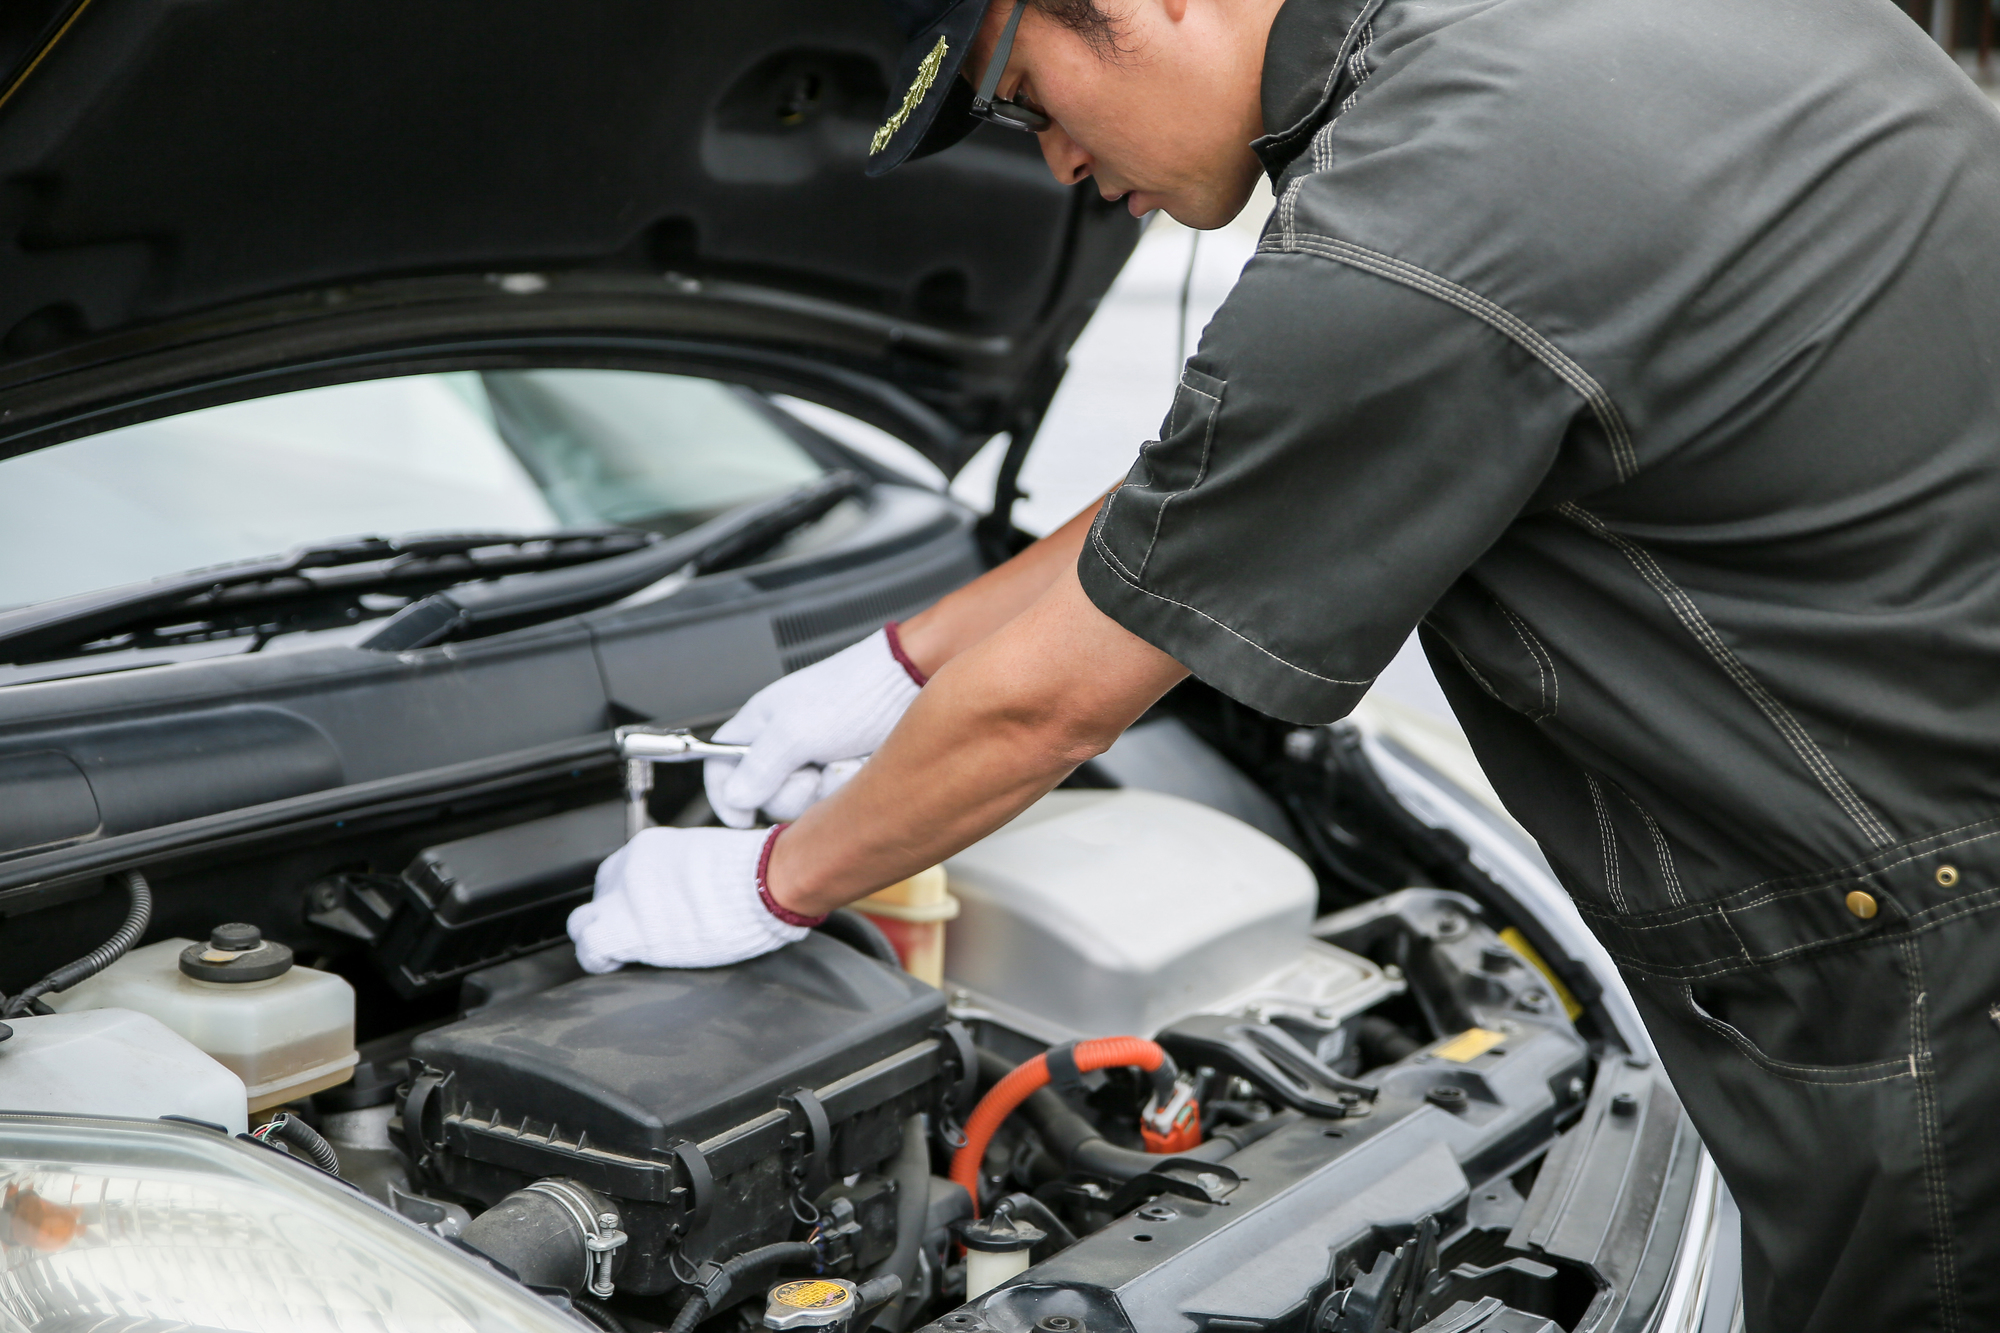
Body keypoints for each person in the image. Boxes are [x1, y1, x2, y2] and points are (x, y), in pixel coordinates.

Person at [566, 0, 2000, 1325]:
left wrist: (772, 881)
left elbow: (1057, 705)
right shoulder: (1517, 51)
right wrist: (898, 659)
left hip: (1937, 971)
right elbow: (1237, 474)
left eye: (1027, 99)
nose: (1059, 163)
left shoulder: (1441, 185)